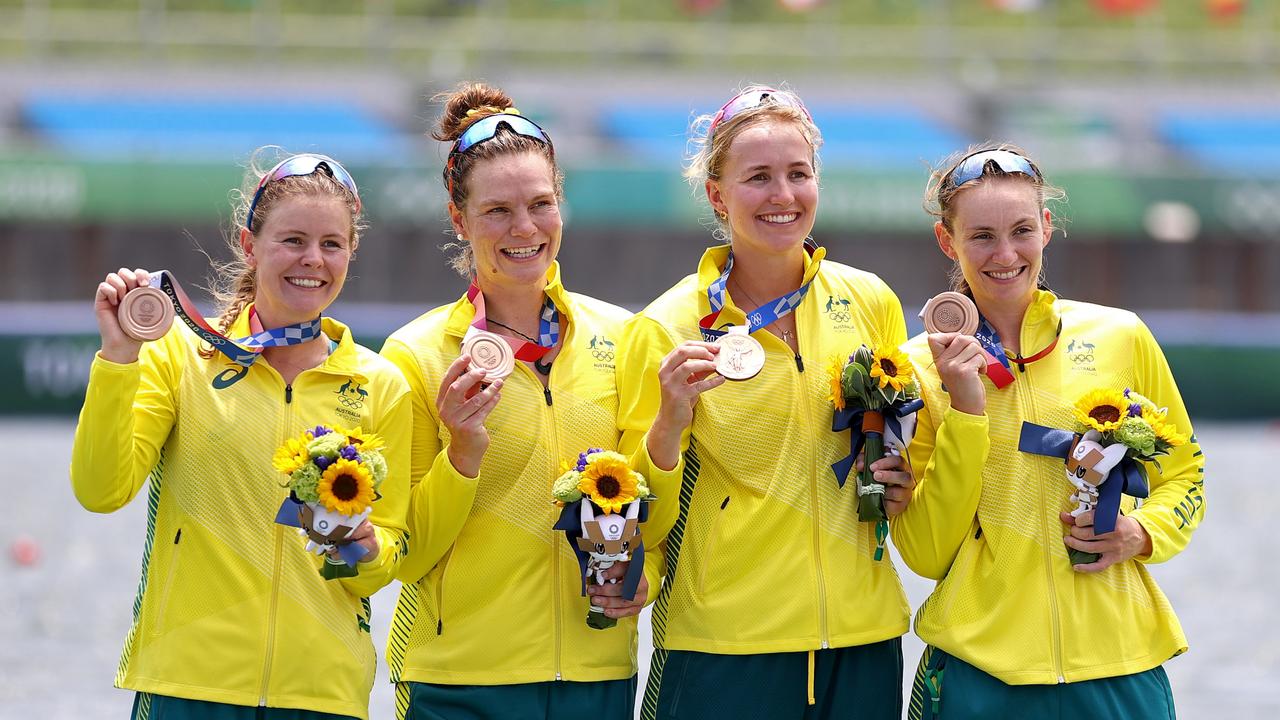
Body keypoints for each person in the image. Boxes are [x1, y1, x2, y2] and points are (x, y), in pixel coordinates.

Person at [70, 151, 412, 719]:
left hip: (322, 694)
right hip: (188, 686)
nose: (313, 260)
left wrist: (364, 545)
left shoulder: (381, 384)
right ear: (249, 245)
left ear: (352, 251)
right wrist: (119, 356)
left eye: (332, 243)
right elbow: (99, 490)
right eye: (293, 240)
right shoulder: (180, 355)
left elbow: (386, 563)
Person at [616, 86, 918, 720]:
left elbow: (907, 453)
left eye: (798, 174)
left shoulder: (872, 301)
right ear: (717, 195)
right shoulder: (665, 327)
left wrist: (904, 475)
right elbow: (637, 518)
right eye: (758, 177)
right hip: (723, 646)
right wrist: (669, 422)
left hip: (862, 639)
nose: (783, 196)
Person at [382, 82, 677, 720]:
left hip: (596, 677)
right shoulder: (415, 357)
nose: (524, 229)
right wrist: (461, 453)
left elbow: (646, 515)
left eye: (541, 204)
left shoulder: (626, 338)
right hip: (458, 684)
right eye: (497, 211)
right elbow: (406, 554)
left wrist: (643, 572)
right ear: (459, 219)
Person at [891, 145, 1205, 719]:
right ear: (947, 241)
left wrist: (1142, 533)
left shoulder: (1121, 336)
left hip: (1118, 666)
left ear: (1048, 228)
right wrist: (965, 410)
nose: (1005, 254)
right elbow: (927, 553)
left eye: (1021, 231)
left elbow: (1185, 476)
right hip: (979, 675)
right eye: (982, 236)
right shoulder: (915, 372)